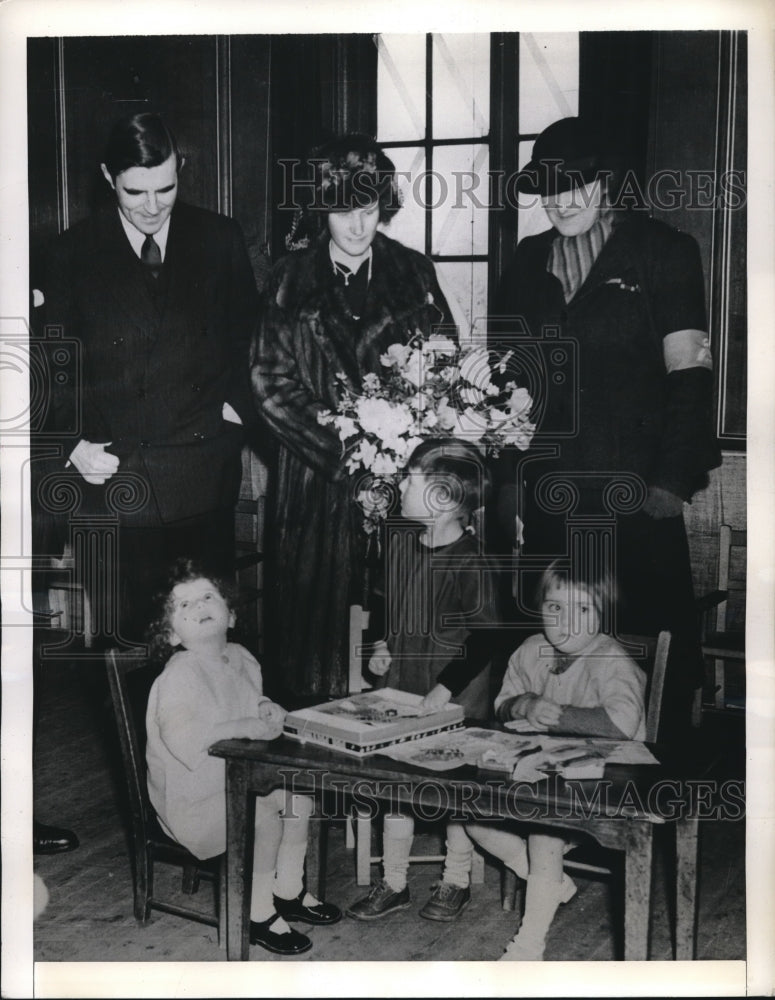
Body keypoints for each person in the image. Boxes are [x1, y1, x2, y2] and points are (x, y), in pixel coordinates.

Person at [490, 116, 720, 735]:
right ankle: (542, 809)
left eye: (576, 185)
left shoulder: (665, 251)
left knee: (639, 649)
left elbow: (691, 377)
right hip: (550, 492)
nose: (560, 201)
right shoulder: (527, 259)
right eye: (547, 187)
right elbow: (506, 381)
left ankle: (639, 805)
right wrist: (511, 482)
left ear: (607, 182)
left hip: (636, 494)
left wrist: (670, 482)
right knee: (548, 650)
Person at [39, 112, 259, 642]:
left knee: (207, 638)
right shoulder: (69, 254)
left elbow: (252, 343)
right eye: (135, 192)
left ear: (179, 170)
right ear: (107, 177)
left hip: (202, 470)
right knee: (130, 640)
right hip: (114, 478)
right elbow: (49, 366)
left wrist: (237, 412)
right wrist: (73, 446)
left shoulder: (220, 238)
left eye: (167, 187)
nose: (154, 206)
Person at [251, 133, 455, 702]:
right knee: (314, 642)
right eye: (343, 210)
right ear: (323, 208)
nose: (359, 226)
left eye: (368, 210)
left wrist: (399, 449)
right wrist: (349, 450)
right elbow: (269, 384)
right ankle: (306, 772)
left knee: (397, 637)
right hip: (317, 484)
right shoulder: (290, 277)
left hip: (404, 484)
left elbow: (443, 366)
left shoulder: (414, 272)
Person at [443, 560, 646, 959]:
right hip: (543, 775)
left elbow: (624, 723)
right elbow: (501, 705)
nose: (565, 621)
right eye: (555, 608)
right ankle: (547, 882)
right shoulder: (531, 649)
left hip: (607, 785)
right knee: (469, 815)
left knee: (543, 830)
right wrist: (523, 704)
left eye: (582, 609)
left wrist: (562, 715)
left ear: (605, 615)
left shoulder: (611, 658)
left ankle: (528, 945)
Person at [145, 559, 341, 956]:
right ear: (169, 634)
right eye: (183, 606)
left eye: (207, 597)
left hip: (233, 781)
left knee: (299, 797)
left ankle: (286, 888)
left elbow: (251, 697)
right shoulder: (178, 676)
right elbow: (185, 741)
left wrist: (266, 706)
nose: (198, 607)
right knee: (266, 811)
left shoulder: (240, 657)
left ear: (230, 614)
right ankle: (257, 911)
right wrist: (244, 726)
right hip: (193, 800)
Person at [346, 439, 500, 922]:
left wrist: (445, 689)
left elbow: (486, 638)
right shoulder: (399, 543)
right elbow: (386, 608)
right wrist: (380, 644)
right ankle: (393, 883)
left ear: (445, 497)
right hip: (404, 687)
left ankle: (455, 880)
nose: (399, 484)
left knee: (452, 791)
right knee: (396, 786)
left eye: (411, 478)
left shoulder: (472, 561)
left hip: (454, 699)